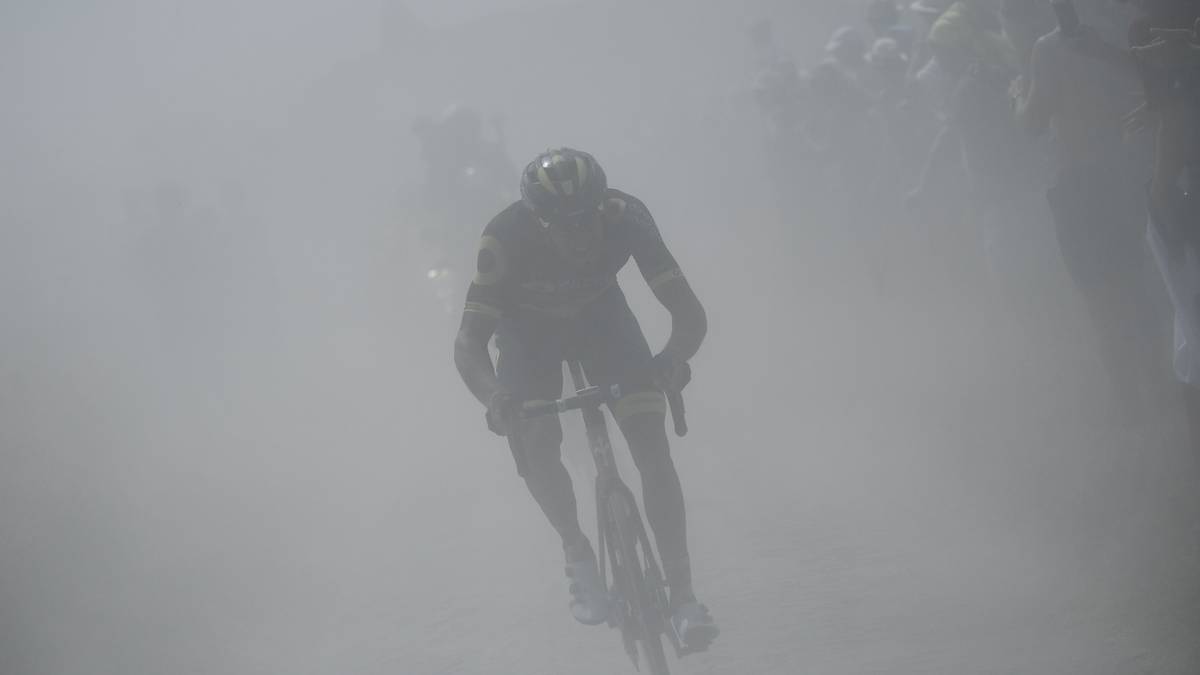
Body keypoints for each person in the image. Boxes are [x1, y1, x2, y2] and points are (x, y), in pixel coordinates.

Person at [452, 148, 719, 647]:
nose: (576, 233)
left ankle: (683, 597)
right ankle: (577, 553)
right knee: (534, 435)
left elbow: (688, 312)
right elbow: (469, 342)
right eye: (561, 224)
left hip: (603, 322)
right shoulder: (504, 236)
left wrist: (671, 361)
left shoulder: (627, 216)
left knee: (652, 449)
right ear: (537, 220)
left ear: (602, 207)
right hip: (527, 334)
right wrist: (495, 397)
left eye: (585, 220)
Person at [1014, 1, 1159, 419]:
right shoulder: (1126, 30)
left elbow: (1033, 123)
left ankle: (1129, 400)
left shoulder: (1049, 47)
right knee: (1135, 281)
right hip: (1128, 171)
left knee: (1100, 296)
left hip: (1078, 181)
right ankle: (1157, 384)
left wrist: (1017, 97)